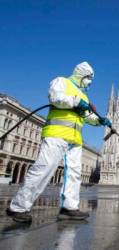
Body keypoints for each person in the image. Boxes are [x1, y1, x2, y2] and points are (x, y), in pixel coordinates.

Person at [6, 62, 112, 223]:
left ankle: (69, 207)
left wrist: (99, 121)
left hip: (75, 140)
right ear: (81, 75)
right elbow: (55, 98)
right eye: (89, 78)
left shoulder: (83, 96)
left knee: (74, 175)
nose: (90, 82)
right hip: (57, 134)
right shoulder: (62, 82)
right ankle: (18, 207)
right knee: (44, 169)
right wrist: (75, 101)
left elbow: (86, 116)